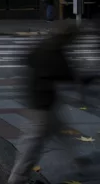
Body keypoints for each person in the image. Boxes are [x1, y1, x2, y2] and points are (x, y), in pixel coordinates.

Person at [8, 23, 87, 184]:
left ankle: (77, 161)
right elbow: (68, 74)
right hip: (42, 103)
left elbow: (27, 58)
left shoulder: (46, 44)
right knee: (33, 143)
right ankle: (17, 178)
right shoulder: (55, 52)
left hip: (39, 97)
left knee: (59, 129)